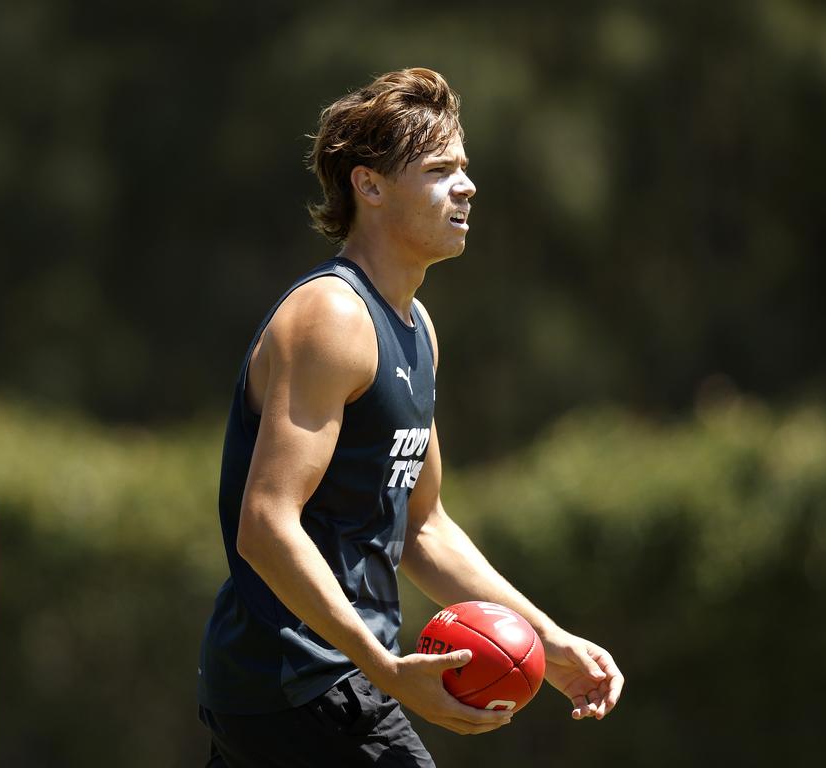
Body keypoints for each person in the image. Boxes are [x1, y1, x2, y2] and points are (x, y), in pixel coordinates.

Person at [197, 67, 624, 767]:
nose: (468, 185)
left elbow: (422, 525)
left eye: (465, 167)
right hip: (302, 683)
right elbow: (266, 524)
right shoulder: (332, 316)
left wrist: (551, 643)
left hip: (305, 684)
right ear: (369, 185)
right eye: (439, 169)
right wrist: (383, 665)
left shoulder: (416, 327)